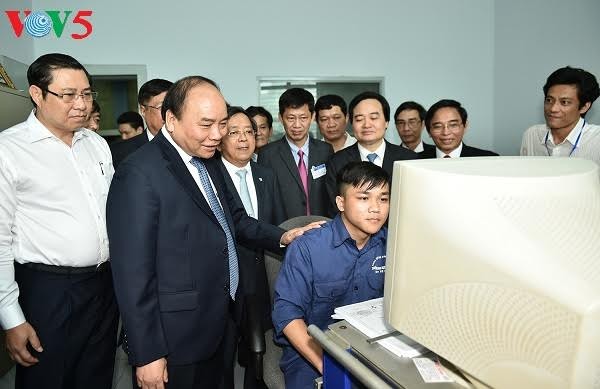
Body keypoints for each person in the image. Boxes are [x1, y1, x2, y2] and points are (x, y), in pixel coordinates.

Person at [107, 76, 321, 389]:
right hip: (175, 335)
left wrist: (282, 236)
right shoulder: (140, 173)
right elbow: (131, 274)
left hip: (220, 319)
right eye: (206, 124)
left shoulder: (207, 160)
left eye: (222, 124)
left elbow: (235, 219)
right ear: (171, 118)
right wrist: (148, 352)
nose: (217, 135)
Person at [0, 53, 118, 389]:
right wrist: (12, 318)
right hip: (48, 291)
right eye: (68, 95)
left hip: (101, 286)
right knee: (47, 378)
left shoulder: (96, 144)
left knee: (97, 376)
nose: (81, 104)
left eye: (86, 94)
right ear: (37, 94)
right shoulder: (9, 150)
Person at [273, 161, 390, 389]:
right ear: (341, 202)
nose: (376, 207)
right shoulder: (307, 247)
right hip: (313, 350)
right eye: (364, 198)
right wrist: (327, 365)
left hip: (373, 348)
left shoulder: (392, 244)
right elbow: (286, 315)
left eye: (383, 198)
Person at [217, 106, 284, 388]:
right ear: (220, 136)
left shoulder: (265, 174)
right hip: (226, 280)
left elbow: (276, 223)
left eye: (249, 132)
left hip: (263, 275)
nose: (244, 139)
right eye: (234, 132)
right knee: (224, 355)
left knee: (261, 354)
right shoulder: (211, 175)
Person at [324, 91, 417, 217]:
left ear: (387, 122)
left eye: (373, 118)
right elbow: (334, 208)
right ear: (352, 124)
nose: (367, 125)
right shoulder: (337, 162)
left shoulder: (409, 160)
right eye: (359, 119)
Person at [257, 88, 333, 219]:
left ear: (313, 117)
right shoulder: (267, 154)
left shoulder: (325, 150)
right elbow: (265, 200)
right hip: (285, 230)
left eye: (303, 118)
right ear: (280, 118)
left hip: (322, 227)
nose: (297, 125)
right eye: (291, 118)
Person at [521, 66, 600, 165]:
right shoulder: (532, 135)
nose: (553, 109)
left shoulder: (597, 140)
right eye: (549, 100)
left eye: (564, 102)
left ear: (584, 107)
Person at [110, 78, 173, 167]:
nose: (170, 114)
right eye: (162, 107)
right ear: (143, 110)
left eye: (174, 107)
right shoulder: (121, 152)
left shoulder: (189, 145)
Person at [421, 99, 498, 158]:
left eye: (453, 125)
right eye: (438, 126)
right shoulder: (415, 161)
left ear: (465, 126)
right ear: (429, 131)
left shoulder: (488, 159)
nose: (446, 132)